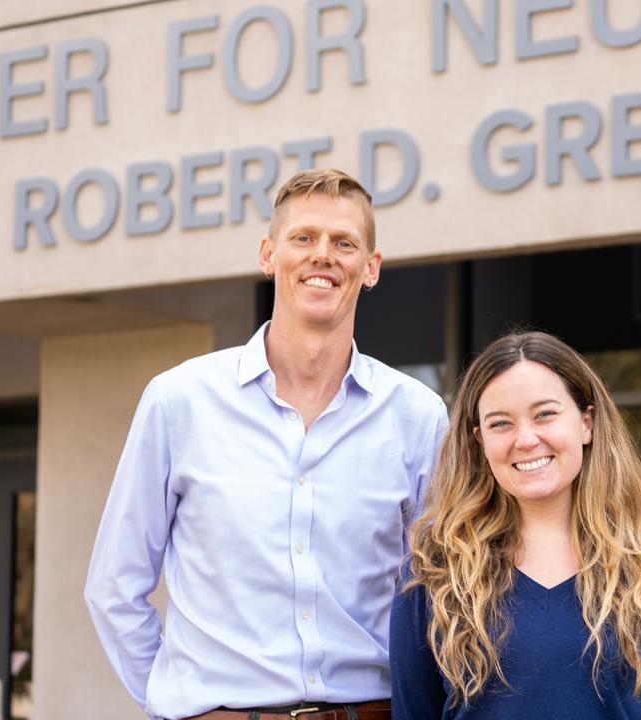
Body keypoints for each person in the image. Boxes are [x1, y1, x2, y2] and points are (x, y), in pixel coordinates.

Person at [85, 169, 449, 720]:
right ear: (268, 254)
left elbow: (442, 590)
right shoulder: (179, 401)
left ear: (370, 268)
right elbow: (115, 587)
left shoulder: (417, 416)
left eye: (344, 242)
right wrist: (176, 705)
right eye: (303, 238)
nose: (322, 255)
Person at [391, 331, 641, 719]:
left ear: (586, 423)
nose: (525, 439)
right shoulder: (434, 569)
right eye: (500, 423)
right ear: (480, 441)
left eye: (545, 414)